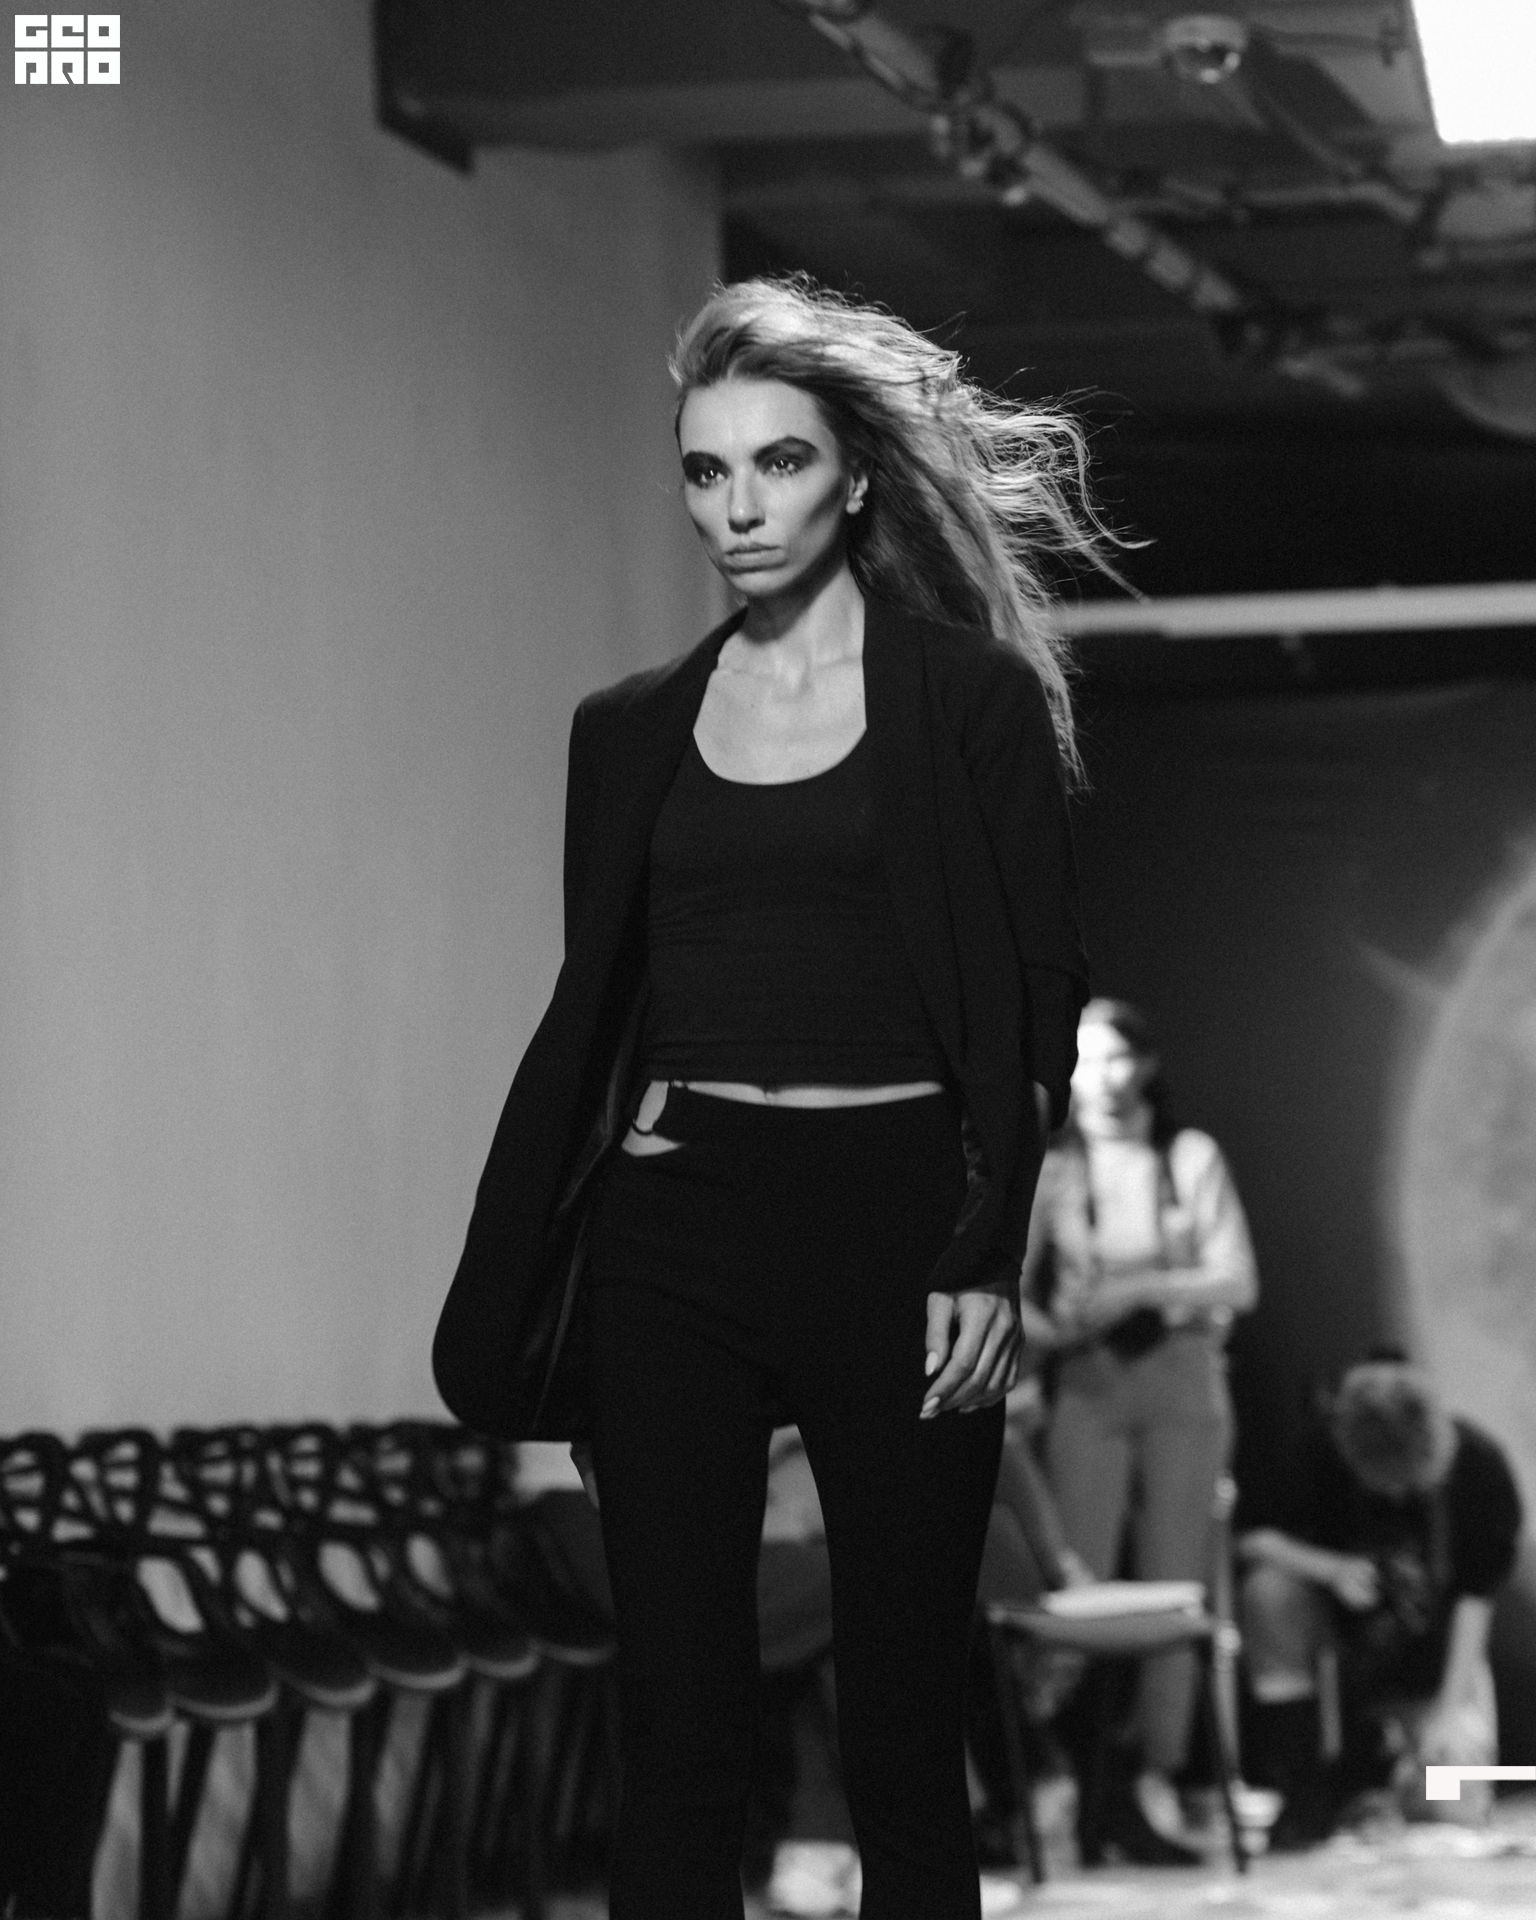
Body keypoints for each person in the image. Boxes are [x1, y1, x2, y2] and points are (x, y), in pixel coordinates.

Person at [433, 273, 1112, 1919]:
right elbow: (599, 1003)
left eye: (779, 463)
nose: (737, 507)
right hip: (678, 1231)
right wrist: (580, 1238)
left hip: (901, 1228)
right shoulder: (626, 732)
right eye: (705, 470)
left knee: (902, 1735)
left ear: (855, 477)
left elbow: (1036, 997)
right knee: (678, 1732)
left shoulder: (967, 701)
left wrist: (986, 1248)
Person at [1021, 997, 1258, 1863]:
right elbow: (1010, 1296)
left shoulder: (1188, 1156)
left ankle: (1153, 1775)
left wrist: (1143, 1290)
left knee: (1174, 1581)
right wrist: (1063, 1326)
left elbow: (1237, 1280)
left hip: (1182, 1375)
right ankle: (1056, 1771)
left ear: (1147, 1065)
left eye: (1117, 1056)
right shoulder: (1052, 1167)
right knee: (1072, 1576)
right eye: (1085, 1059)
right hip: (1087, 1383)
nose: (1103, 1078)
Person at [1238, 1352, 1523, 1847]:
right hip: (1340, 1660)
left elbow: (1475, 1603)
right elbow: (1250, 1537)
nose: (1394, 1494)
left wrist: (1449, 1712)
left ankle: (1398, 1780)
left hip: (1435, 1672)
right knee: (1268, 1593)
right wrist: (1330, 1570)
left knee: (1452, 1804)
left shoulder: (1481, 1468)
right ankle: (1304, 1782)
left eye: (1406, 1482)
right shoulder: (1319, 1451)